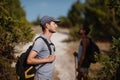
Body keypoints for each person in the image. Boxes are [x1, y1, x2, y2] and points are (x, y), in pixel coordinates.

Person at [27, 16, 60, 80]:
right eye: (54, 24)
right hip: (41, 78)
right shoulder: (40, 41)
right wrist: (48, 60)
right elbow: (29, 60)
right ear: (47, 25)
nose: (56, 26)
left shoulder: (48, 41)